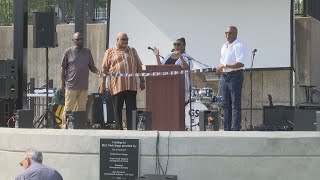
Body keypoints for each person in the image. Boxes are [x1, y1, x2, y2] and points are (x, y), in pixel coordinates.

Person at [100, 32, 145, 130]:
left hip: (131, 85)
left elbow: (139, 66)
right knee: (117, 109)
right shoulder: (110, 51)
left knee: (132, 109)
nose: (126, 41)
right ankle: (119, 130)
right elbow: (104, 69)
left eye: (127, 39)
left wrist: (142, 80)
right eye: (123, 39)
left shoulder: (132, 50)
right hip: (116, 86)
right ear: (117, 40)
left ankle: (131, 129)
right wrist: (103, 84)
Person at [60, 32, 100, 129]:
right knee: (68, 109)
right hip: (71, 86)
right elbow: (63, 68)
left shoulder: (87, 52)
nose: (80, 41)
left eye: (82, 39)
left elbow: (91, 66)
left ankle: (79, 126)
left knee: (82, 109)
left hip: (83, 87)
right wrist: (62, 84)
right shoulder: (68, 52)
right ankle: (65, 127)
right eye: (78, 39)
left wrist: (99, 72)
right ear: (73, 40)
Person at [215, 26, 246, 131]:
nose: (228, 35)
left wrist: (225, 65)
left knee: (235, 104)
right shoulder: (224, 46)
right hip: (224, 77)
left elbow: (240, 63)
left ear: (236, 34)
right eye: (226, 33)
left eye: (230, 33)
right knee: (225, 104)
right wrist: (219, 69)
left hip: (235, 76)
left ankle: (236, 128)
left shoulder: (238, 45)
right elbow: (222, 61)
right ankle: (227, 129)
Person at [152, 38, 193, 102]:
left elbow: (187, 69)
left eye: (178, 44)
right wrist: (157, 56)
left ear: (184, 46)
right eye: (175, 44)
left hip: (180, 86)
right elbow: (161, 68)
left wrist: (181, 57)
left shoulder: (187, 57)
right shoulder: (168, 55)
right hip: (167, 85)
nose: (176, 46)